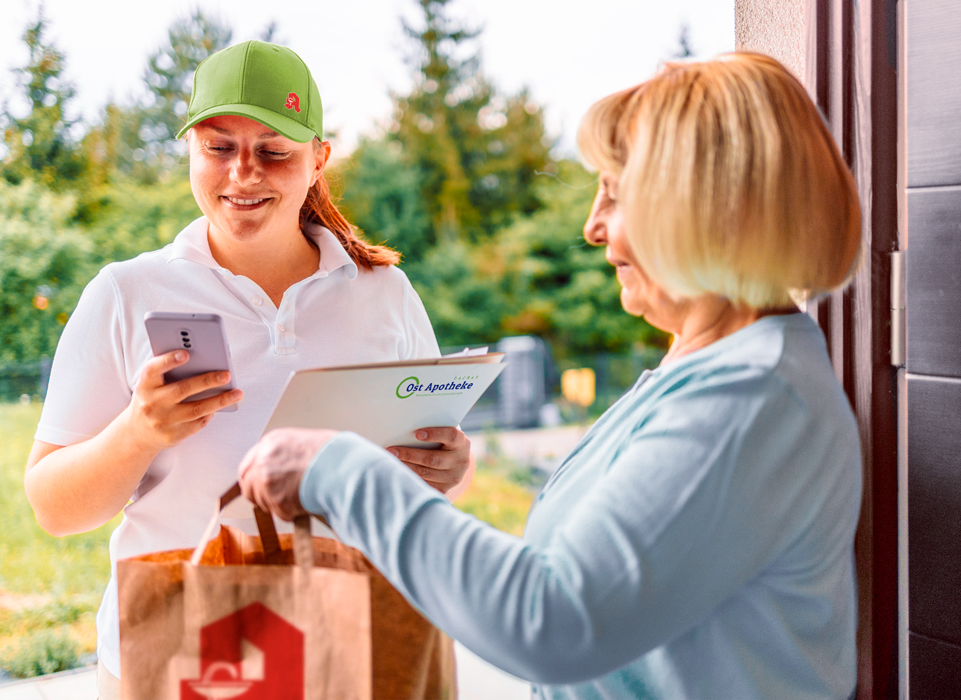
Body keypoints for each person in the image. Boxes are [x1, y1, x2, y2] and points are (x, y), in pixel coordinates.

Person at [238, 52, 863, 699]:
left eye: (615, 195)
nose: (593, 228)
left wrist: (338, 469)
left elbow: (555, 619)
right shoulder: (702, 371)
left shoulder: (751, 398)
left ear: (708, 209)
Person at [23, 40, 474, 697]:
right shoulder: (125, 294)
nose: (243, 174)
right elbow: (53, 510)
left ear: (318, 159)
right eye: (218, 148)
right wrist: (138, 433)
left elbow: (430, 472)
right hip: (181, 641)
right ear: (189, 153)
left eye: (273, 151)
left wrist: (452, 470)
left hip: (354, 632)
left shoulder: (383, 294)